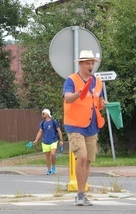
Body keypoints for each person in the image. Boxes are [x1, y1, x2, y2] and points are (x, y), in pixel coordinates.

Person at [63, 50, 106, 206]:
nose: (90, 66)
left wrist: (102, 104)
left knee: (88, 160)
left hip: (92, 125)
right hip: (75, 125)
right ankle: (79, 195)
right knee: (81, 157)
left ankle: (82, 193)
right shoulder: (72, 80)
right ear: (80, 64)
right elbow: (67, 98)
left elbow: (97, 101)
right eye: (87, 63)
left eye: (92, 63)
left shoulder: (98, 82)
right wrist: (79, 93)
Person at [33, 109, 64, 175]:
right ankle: (49, 169)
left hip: (53, 140)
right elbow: (40, 131)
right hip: (45, 141)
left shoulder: (53, 122)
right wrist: (36, 140)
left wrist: (61, 139)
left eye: (43, 113)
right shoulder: (42, 123)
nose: (42, 115)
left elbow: (59, 130)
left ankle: (53, 167)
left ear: (47, 114)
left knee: (53, 154)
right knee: (47, 156)